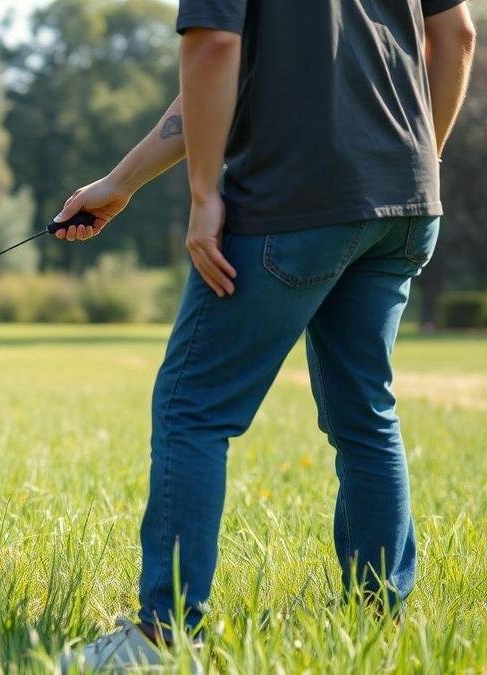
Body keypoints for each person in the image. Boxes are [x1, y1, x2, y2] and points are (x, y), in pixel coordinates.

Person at [53, 0, 476, 669]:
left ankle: (162, 638)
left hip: (293, 200)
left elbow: (216, 47)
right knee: (366, 413)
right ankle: (377, 629)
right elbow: (456, 34)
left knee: (191, 406)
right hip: (404, 200)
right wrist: (120, 182)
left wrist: (202, 197)